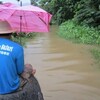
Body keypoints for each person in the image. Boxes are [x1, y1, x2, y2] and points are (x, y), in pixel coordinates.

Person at [0, 21, 36, 94]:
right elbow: (19, 71)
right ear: (10, 34)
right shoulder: (17, 48)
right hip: (10, 88)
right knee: (28, 66)